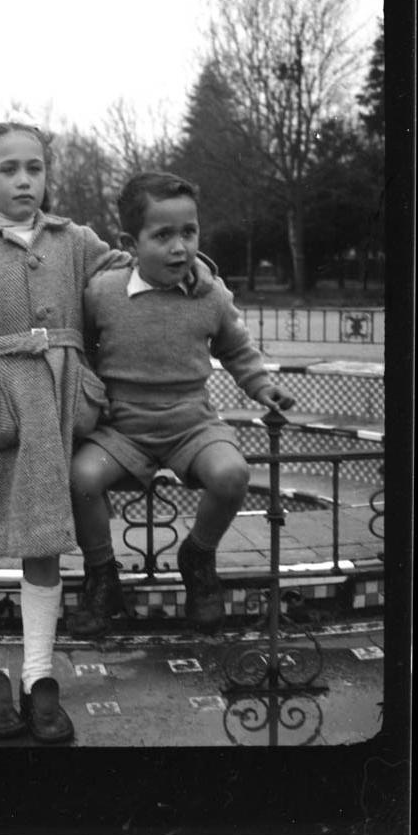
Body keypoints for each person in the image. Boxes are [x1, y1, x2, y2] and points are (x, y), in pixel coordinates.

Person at [0, 124, 212, 743]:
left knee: (43, 549)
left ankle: (39, 678)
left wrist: (193, 266)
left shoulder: (76, 241)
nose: (24, 181)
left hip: (54, 420)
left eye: (34, 169)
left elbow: (136, 265)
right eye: (8, 170)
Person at [67, 171, 296, 637]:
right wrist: (89, 394)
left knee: (233, 474)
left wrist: (261, 387)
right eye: (163, 235)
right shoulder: (103, 294)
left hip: (191, 424)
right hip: (122, 428)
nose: (180, 248)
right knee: (82, 478)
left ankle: (198, 557)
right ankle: (102, 576)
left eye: (189, 232)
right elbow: (84, 348)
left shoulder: (210, 295)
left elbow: (235, 348)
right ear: (132, 241)